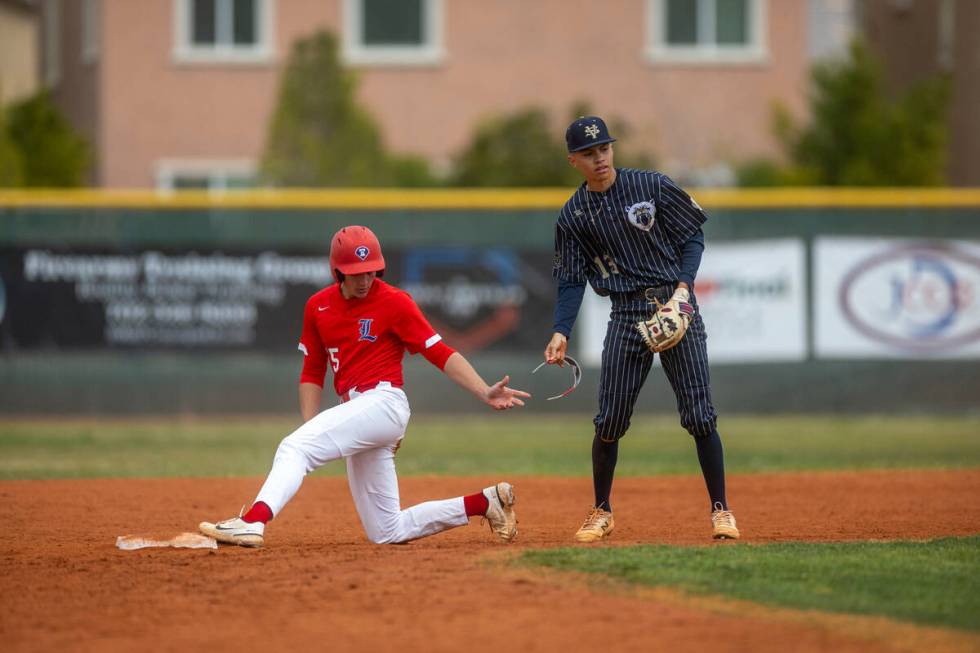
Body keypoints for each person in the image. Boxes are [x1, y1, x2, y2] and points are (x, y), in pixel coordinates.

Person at [201, 225, 530, 547]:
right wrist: (312, 426)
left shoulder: (395, 302)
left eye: (371, 270)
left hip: (385, 402)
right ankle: (486, 503)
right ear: (337, 271)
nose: (365, 278)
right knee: (387, 531)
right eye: (356, 272)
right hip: (358, 413)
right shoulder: (317, 306)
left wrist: (483, 390)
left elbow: (439, 352)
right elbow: (312, 371)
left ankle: (253, 521)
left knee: (293, 448)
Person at [543, 116, 739, 542]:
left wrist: (684, 289)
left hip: (673, 300)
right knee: (609, 420)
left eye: (605, 149)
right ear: (573, 160)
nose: (600, 159)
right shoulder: (573, 216)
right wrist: (561, 329)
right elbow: (571, 279)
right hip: (626, 313)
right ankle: (601, 511)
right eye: (589, 154)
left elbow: (693, 237)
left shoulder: (650, 185)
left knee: (700, 414)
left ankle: (721, 511)